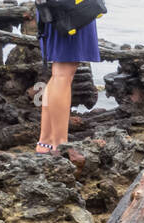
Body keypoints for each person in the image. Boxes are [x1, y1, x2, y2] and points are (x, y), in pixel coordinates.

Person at [35, 0, 104, 155]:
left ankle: (45, 142)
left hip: (58, 7)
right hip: (67, 8)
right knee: (62, 73)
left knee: (59, 73)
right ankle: (59, 143)